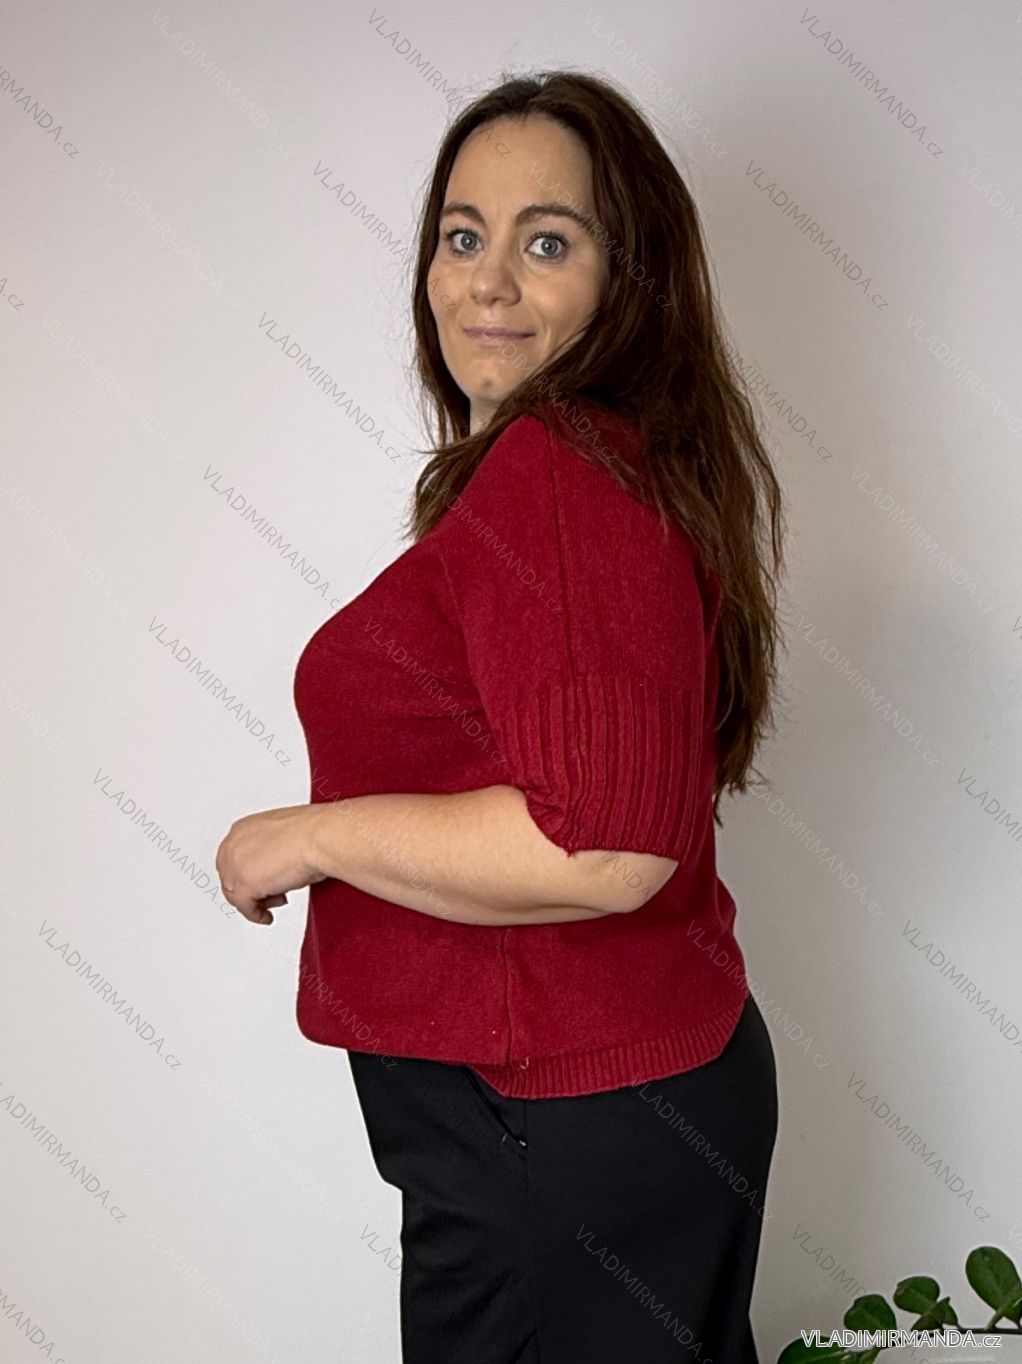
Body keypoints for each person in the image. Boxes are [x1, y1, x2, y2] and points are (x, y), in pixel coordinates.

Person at [216, 69, 786, 1364]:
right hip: (584, 1114)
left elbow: (603, 845)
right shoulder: (582, 473)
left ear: (628, 280)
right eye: (462, 235)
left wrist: (305, 836)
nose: (486, 281)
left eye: (546, 242)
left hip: (556, 1130)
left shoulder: (560, 476)